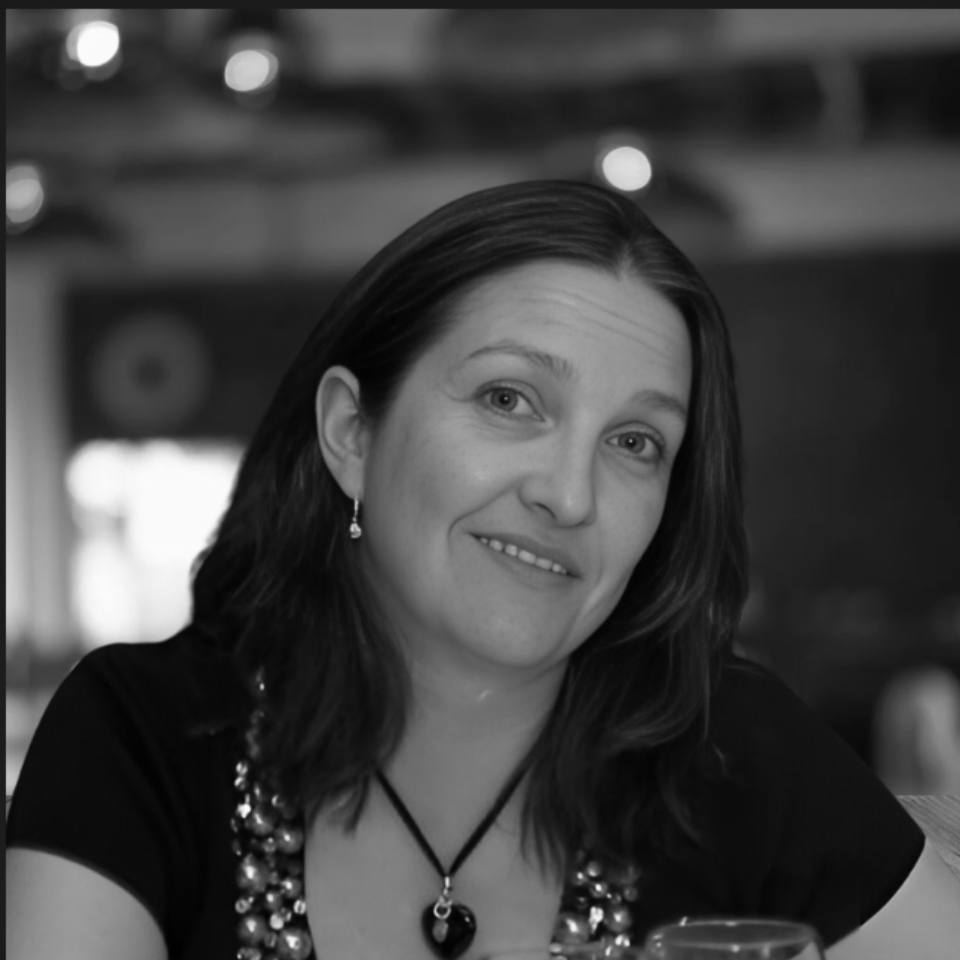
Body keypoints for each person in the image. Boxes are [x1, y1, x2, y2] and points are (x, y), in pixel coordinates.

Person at [6, 181, 959, 960]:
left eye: (635, 442)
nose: (569, 494)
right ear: (351, 432)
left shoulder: (733, 753)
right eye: (510, 399)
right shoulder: (144, 739)